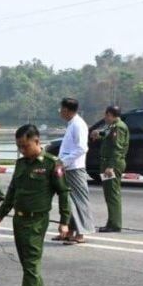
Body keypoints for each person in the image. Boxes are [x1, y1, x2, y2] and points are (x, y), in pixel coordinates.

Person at [0, 124, 70, 286]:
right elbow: (12, 191)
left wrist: (64, 222)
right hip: (19, 219)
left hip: (36, 221)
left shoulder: (52, 164)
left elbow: (63, 193)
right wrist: (0, 215)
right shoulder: (21, 164)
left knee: (31, 263)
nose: (22, 150)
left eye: (25, 146)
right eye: (19, 146)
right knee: (27, 262)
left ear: (37, 141)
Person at [56, 98, 94, 244]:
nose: (60, 112)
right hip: (68, 168)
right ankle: (69, 231)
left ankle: (80, 234)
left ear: (66, 110)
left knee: (79, 200)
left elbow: (82, 148)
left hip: (75, 168)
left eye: (61, 109)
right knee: (69, 200)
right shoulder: (72, 124)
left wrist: (64, 161)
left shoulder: (78, 125)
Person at [91, 105, 129, 232]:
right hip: (107, 163)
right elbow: (106, 135)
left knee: (112, 194)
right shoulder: (112, 126)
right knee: (109, 193)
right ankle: (111, 222)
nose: (105, 117)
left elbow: (117, 148)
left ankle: (114, 224)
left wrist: (111, 167)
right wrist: (98, 134)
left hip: (112, 164)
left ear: (111, 115)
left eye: (106, 115)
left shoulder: (119, 127)